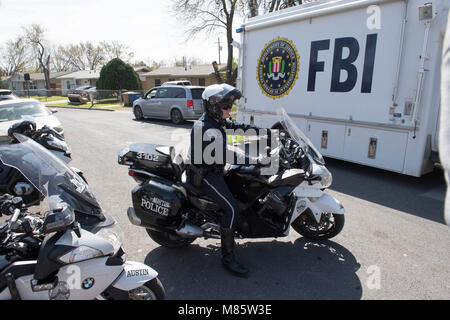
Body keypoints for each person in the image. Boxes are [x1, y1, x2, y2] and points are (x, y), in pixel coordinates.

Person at [187, 83, 265, 277]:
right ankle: (228, 258)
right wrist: (255, 160)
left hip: (214, 169)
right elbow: (226, 154)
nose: (229, 109)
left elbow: (236, 126)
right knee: (232, 208)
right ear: (213, 105)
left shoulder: (214, 120)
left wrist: (264, 132)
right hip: (205, 175)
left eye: (231, 105)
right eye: (226, 105)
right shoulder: (206, 128)